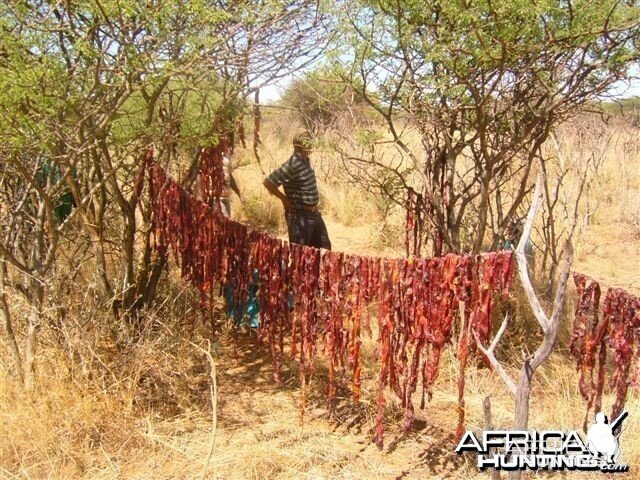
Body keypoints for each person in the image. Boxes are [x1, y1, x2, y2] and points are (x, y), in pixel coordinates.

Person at [263, 131, 331, 250]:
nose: (311, 146)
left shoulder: (305, 160)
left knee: (324, 249)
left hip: (314, 213)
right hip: (300, 215)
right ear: (303, 146)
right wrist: (284, 199)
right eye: (308, 142)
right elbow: (268, 182)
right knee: (301, 254)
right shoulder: (293, 164)